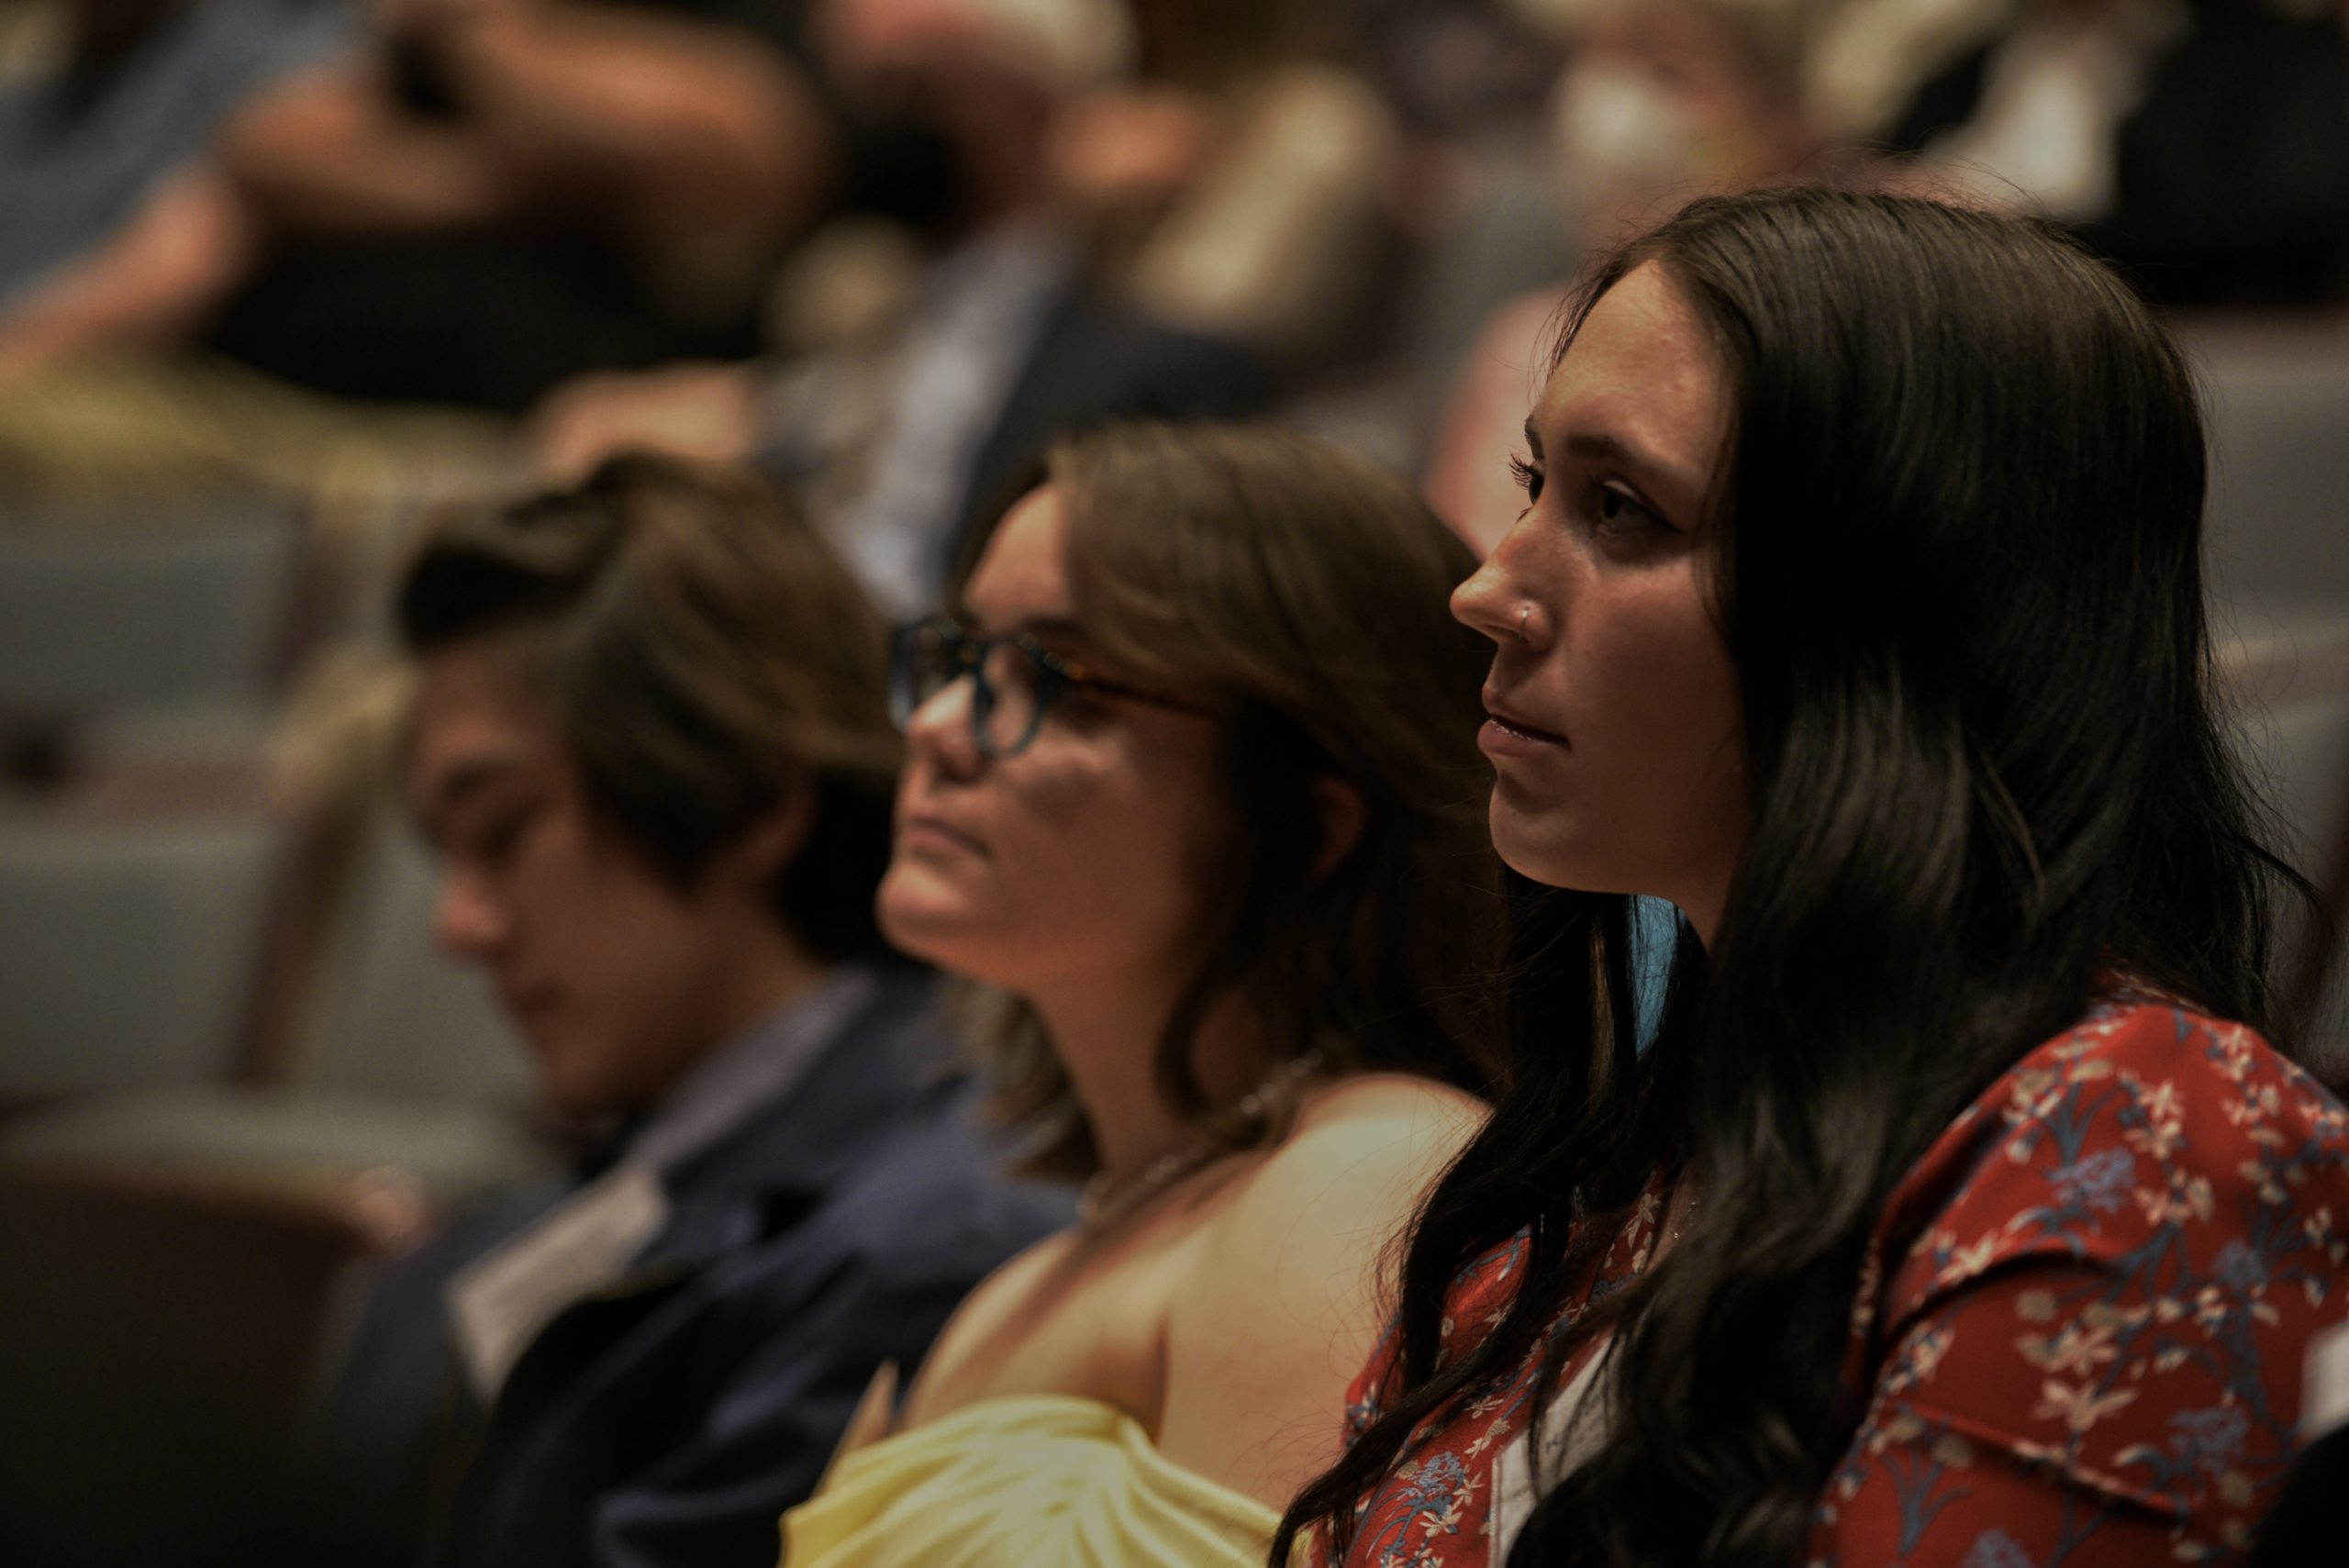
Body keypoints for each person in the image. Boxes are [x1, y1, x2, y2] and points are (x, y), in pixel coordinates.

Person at [1277, 185, 2349, 1568]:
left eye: (1625, 511)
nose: (1488, 587)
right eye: (1539, 486)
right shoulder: (1586, 1193)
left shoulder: (2140, 1133)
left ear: (1895, 611)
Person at [306, 453, 1068, 1568]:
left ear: (750, 797)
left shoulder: (923, 1244)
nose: (458, 927)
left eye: (507, 831)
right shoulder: (611, 1157)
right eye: (448, 857)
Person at [776, 422, 1507, 1566]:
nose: (932, 730)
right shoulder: (1028, 1278)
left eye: (1060, 683)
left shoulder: (1360, 1167)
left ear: (1306, 817)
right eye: (962, 657)